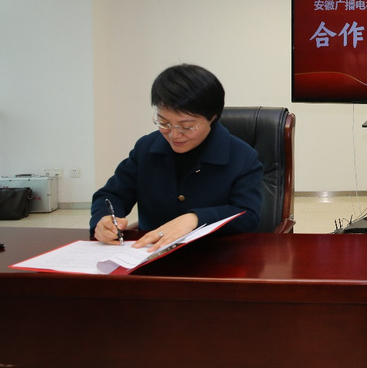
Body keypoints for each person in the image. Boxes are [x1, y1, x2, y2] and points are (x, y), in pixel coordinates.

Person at [90, 64, 263, 252]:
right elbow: (111, 195)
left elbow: (248, 215)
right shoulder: (147, 148)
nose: (174, 135)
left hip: (215, 255)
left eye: (186, 126)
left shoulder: (242, 157)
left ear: (212, 117)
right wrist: (105, 220)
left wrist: (195, 219)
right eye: (164, 123)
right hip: (150, 255)